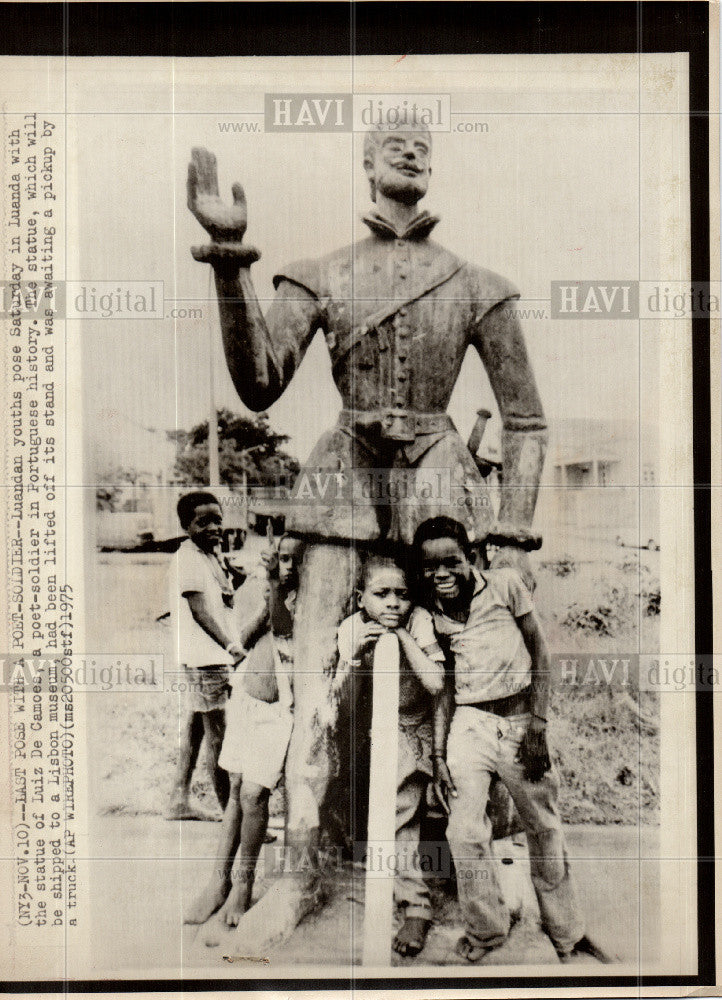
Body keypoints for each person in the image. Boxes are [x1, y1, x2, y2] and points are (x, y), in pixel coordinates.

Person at [186, 126, 548, 939]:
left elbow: (525, 420)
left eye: (422, 142)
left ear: (434, 163)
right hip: (342, 477)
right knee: (315, 680)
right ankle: (302, 873)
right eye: (393, 142)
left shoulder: (477, 284)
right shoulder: (320, 275)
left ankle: (467, 876)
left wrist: (516, 534)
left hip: (439, 483)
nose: (410, 151)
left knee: (463, 685)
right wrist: (230, 258)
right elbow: (258, 383)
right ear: (367, 163)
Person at [414, 515, 588, 964]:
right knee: (464, 830)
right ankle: (487, 929)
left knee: (543, 827)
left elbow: (540, 651)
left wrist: (539, 724)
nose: (441, 574)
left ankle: (566, 930)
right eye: (430, 566)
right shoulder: (430, 610)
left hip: (518, 722)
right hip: (468, 727)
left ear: (472, 556)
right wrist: (438, 755)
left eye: (451, 561)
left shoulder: (506, 584)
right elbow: (448, 685)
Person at [185, 533, 304, 926]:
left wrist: (270, 582)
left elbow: (284, 626)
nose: (288, 567)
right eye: (282, 559)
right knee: (235, 789)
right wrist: (239, 644)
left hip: (278, 712)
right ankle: (217, 883)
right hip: (247, 702)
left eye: (295, 561)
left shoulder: (304, 601)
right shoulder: (270, 593)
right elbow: (253, 635)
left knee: (254, 795)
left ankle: (243, 884)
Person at [336, 554, 445, 957]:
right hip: (368, 730)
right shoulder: (351, 628)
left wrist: (400, 637)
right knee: (374, 814)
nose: (393, 603)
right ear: (361, 597)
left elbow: (434, 682)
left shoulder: (416, 622)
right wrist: (353, 660)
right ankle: (386, 880)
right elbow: (343, 702)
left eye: (401, 594)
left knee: (401, 814)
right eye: (382, 594)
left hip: (414, 728)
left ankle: (416, 906)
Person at [166, 491, 248, 821]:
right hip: (206, 660)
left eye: (218, 520)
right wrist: (231, 646)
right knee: (220, 735)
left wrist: (236, 575)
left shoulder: (209, 554)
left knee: (198, 726)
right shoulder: (187, 559)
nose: (214, 527)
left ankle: (178, 800)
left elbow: (224, 597)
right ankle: (235, 817)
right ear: (186, 526)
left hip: (209, 658)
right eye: (204, 522)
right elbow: (200, 611)